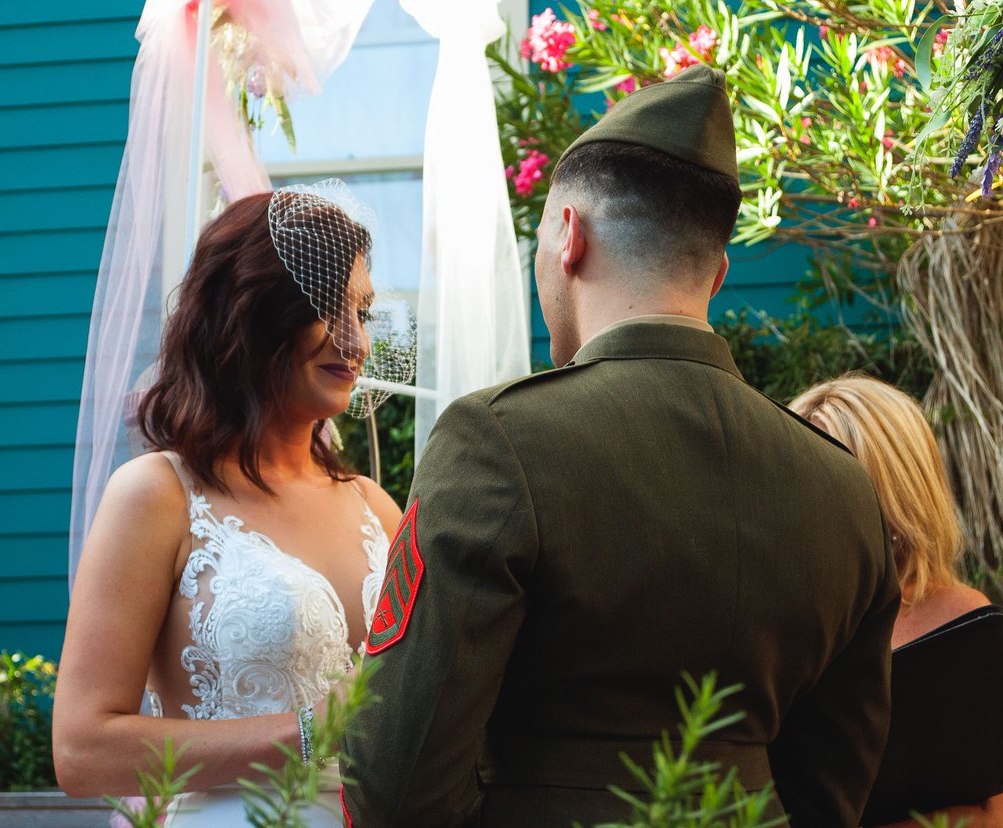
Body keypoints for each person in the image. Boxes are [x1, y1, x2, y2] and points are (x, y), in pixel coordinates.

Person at [340, 65, 900, 828]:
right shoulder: (843, 485)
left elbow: (396, 779)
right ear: (719, 273)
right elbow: (835, 785)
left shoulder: (499, 440)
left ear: (569, 237)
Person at [54, 183, 404, 826]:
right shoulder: (158, 495)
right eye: (330, 307)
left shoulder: (376, 509)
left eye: (366, 312)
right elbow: (82, 749)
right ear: (252, 311)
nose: (355, 342)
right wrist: (314, 731)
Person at [790, 374, 1003, 828]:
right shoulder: (769, 619)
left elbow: (990, 811)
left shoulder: (964, 627)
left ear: (898, 496)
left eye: (839, 487)